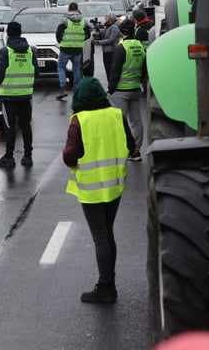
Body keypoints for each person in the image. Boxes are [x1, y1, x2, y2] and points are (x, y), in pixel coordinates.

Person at [63, 77, 134, 304]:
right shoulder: (116, 114)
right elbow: (132, 146)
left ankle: (106, 287)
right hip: (115, 184)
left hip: (92, 187)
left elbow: (69, 156)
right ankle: (108, 283)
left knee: (100, 237)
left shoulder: (79, 120)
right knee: (107, 233)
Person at [0, 21, 38, 168]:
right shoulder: (30, 51)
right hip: (26, 95)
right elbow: (36, 73)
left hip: (8, 96)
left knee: (10, 126)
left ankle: (9, 156)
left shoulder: (5, 52)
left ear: (8, 34)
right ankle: (28, 156)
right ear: (20, 33)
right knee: (26, 125)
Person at [107, 19, 146, 162]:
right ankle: (136, 150)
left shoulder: (121, 47)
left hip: (120, 91)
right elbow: (144, 68)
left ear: (122, 32)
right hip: (135, 89)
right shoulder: (140, 46)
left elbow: (115, 70)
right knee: (136, 122)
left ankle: (120, 150)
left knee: (119, 122)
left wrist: (110, 89)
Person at [55, 1, 91, 100]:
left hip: (65, 48)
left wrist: (61, 41)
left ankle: (63, 88)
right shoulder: (83, 21)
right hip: (77, 49)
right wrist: (80, 40)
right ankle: (76, 89)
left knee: (61, 67)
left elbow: (58, 33)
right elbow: (88, 34)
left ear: (69, 9)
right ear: (77, 8)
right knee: (76, 69)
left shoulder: (65, 20)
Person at [97, 11, 121, 84]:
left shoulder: (114, 27)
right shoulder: (107, 26)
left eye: (107, 16)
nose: (105, 18)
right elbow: (103, 34)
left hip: (111, 51)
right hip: (106, 51)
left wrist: (100, 42)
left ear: (111, 18)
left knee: (111, 70)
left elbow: (111, 39)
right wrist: (98, 30)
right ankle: (110, 84)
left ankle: (112, 85)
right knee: (107, 69)